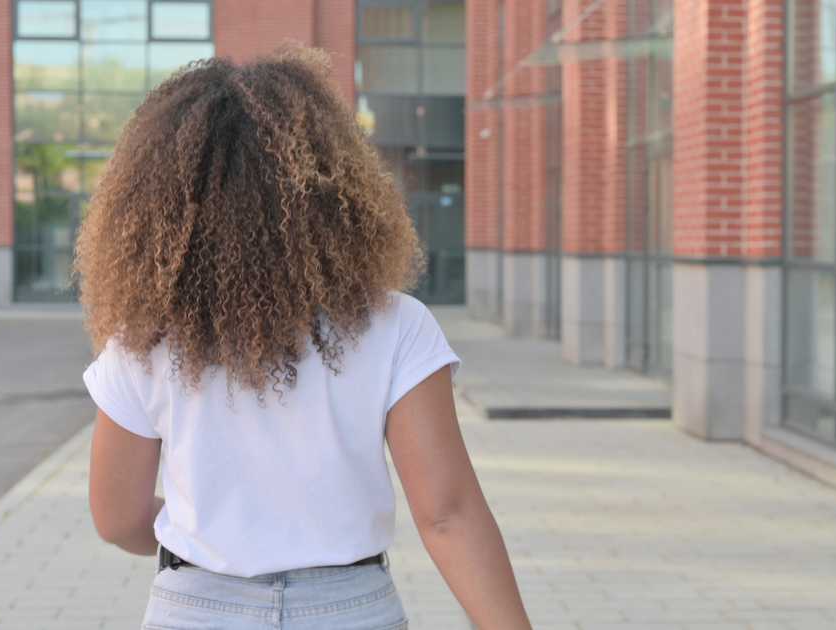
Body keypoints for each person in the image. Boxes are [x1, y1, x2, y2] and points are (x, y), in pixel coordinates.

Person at [75, 47, 532, 629]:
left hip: (195, 609)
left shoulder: (143, 343)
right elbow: (448, 516)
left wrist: (213, 535)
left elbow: (117, 519)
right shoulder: (397, 325)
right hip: (351, 611)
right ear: (336, 188)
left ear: (157, 205)